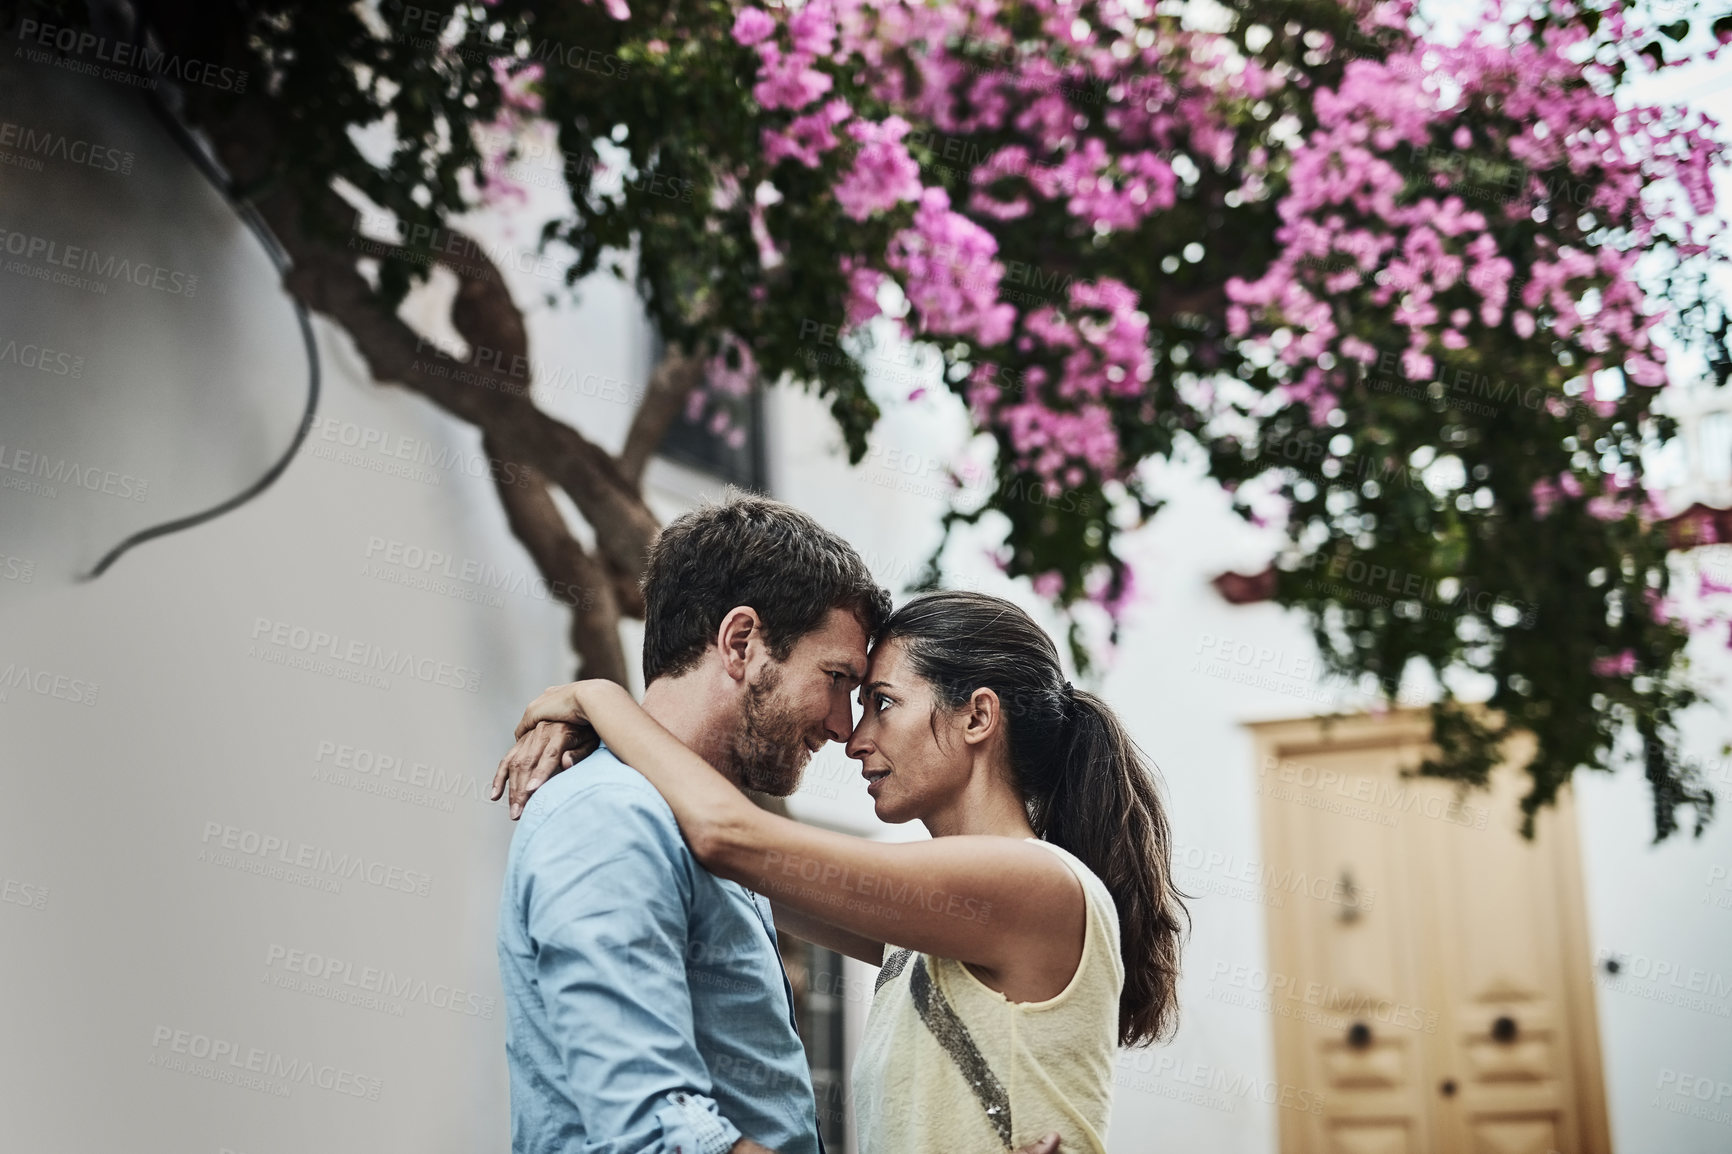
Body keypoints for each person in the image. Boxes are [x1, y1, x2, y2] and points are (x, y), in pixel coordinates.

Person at [501, 589, 1188, 1154]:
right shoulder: (927, 924)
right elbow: (732, 871)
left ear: (978, 716)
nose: (855, 739)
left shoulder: (1029, 881)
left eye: (882, 703)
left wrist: (599, 699)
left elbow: (727, 836)